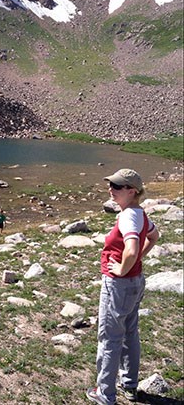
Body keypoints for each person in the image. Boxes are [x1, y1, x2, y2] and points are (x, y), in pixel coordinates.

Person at [87, 169, 159, 405]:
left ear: (132, 191)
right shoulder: (140, 213)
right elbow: (154, 236)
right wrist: (137, 260)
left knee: (109, 338)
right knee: (130, 333)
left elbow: (130, 248)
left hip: (118, 285)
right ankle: (129, 384)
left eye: (117, 187)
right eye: (111, 185)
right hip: (135, 282)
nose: (111, 190)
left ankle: (105, 394)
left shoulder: (128, 216)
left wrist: (122, 268)